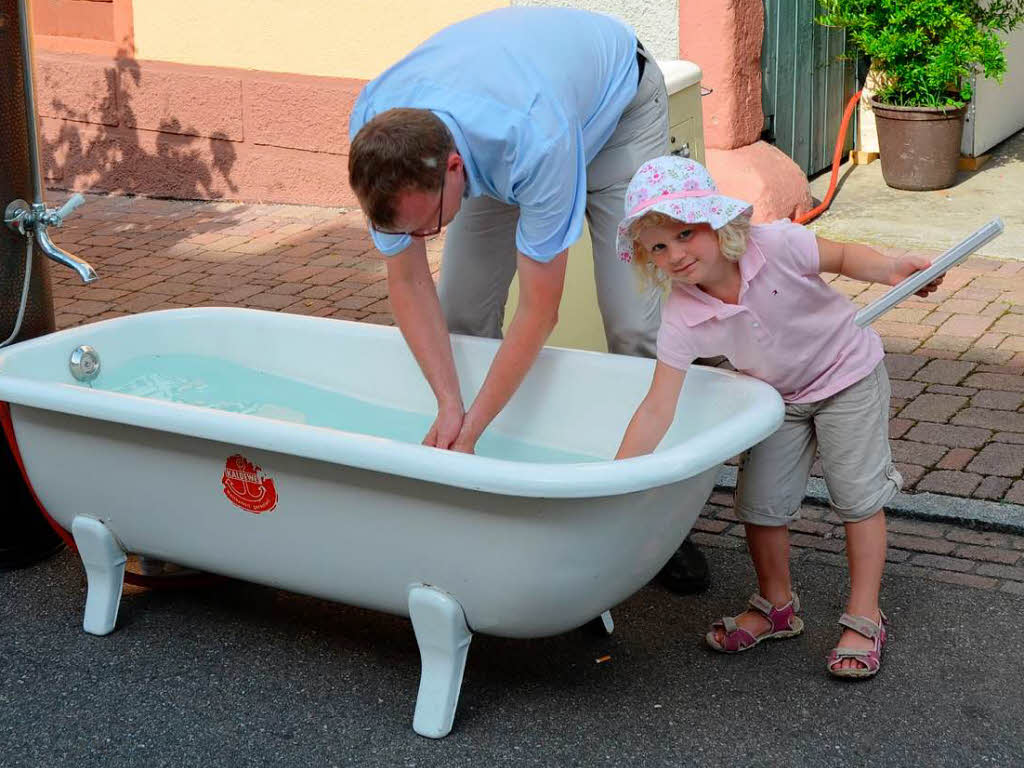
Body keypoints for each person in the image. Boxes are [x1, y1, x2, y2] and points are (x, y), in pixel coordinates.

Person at [347, 7, 708, 593]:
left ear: (455, 170)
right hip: (506, 120)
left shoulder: (533, 140)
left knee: (634, 324)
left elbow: (540, 311)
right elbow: (410, 281)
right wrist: (448, 405)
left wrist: (468, 434)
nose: (417, 241)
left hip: (614, 113)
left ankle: (654, 514)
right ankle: (493, 493)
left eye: (427, 228)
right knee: (462, 311)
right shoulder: (378, 131)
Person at [613, 156, 944, 678]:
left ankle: (865, 615)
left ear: (717, 222)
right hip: (776, 398)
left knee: (857, 497)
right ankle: (777, 606)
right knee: (761, 506)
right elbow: (658, 405)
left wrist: (889, 266)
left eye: (685, 233)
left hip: (846, 374)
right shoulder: (681, 314)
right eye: (658, 246)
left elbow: (839, 256)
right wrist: (619, 476)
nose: (674, 254)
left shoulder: (776, 244)